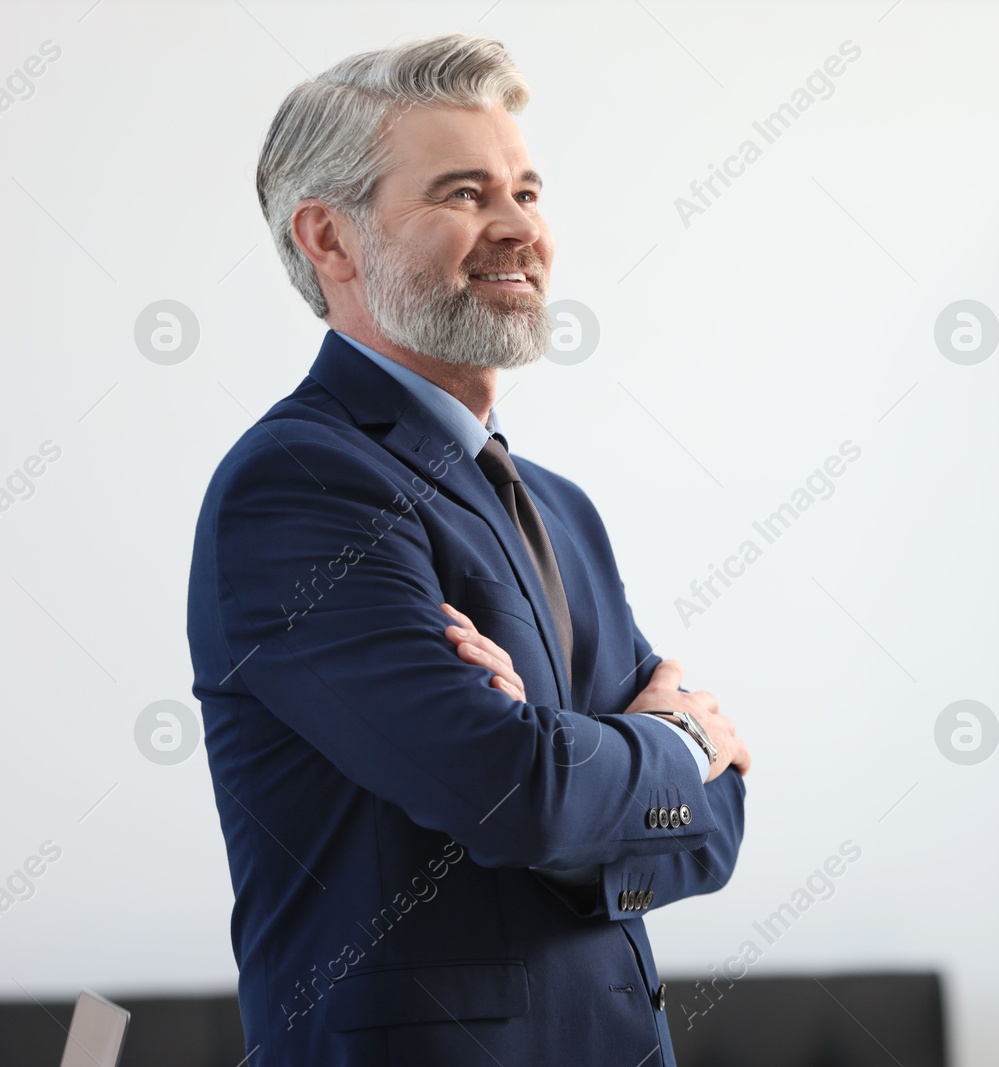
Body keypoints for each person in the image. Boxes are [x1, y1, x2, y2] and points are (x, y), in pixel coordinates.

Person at [185, 33, 749, 1066]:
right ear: (330, 239)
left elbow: (713, 829)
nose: (515, 229)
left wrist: (573, 778)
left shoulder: (561, 509)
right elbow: (517, 790)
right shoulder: (300, 487)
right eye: (461, 193)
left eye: (526, 192)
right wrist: (675, 743)